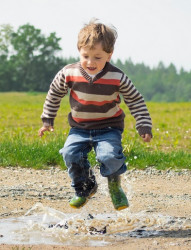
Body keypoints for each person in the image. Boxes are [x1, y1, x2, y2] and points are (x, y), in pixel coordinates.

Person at [38, 19, 152, 211]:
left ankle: (115, 185)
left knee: (109, 156)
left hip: (109, 128)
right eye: (86, 56)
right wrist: (47, 119)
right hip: (79, 128)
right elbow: (54, 93)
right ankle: (85, 187)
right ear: (79, 51)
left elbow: (135, 100)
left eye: (98, 57)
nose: (91, 62)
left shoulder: (117, 77)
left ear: (109, 55)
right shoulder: (69, 73)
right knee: (70, 153)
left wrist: (143, 125)